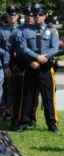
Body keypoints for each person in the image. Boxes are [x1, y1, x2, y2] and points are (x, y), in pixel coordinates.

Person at [15, 3, 59, 133]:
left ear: (44, 16)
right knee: (27, 97)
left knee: (48, 97)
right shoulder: (26, 31)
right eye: (35, 14)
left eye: (40, 14)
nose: (37, 17)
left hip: (45, 69)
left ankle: (52, 124)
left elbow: (54, 48)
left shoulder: (52, 30)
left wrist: (40, 61)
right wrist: (35, 57)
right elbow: (23, 48)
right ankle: (23, 123)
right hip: (30, 68)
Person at [6, 5, 39, 130]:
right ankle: (15, 119)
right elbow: (8, 50)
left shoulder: (38, 30)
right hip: (21, 64)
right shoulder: (17, 30)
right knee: (18, 93)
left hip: (35, 65)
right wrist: (6, 66)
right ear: (24, 16)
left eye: (32, 15)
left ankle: (31, 118)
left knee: (34, 93)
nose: (30, 17)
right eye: (28, 15)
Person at [0, 4, 20, 122]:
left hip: (20, 63)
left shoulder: (22, 29)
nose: (12, 16)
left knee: (19, 89)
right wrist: (6, 53)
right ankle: (6, 113)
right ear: (7, 16)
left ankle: (17, 112)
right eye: (10, 14)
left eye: (14, 14)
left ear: (18, 16)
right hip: (6, 63)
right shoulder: (1, 30)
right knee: (7, 89)